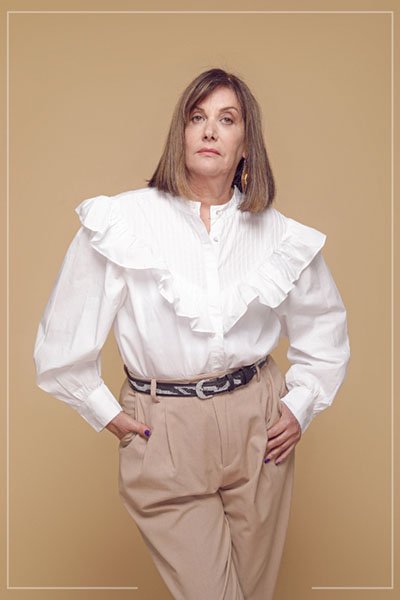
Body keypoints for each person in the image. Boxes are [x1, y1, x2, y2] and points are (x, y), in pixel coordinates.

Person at [33, 68, 351, 600]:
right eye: (197, 117)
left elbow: (324, 328)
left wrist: (301, 404)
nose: (209, 130)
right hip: (165, 427)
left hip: (258, 424)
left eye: (227, 120)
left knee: (252, 592)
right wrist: (102, 409)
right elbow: (64, 334)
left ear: (246, 142)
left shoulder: (278, 234)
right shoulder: (123, 221)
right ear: (180, 134)